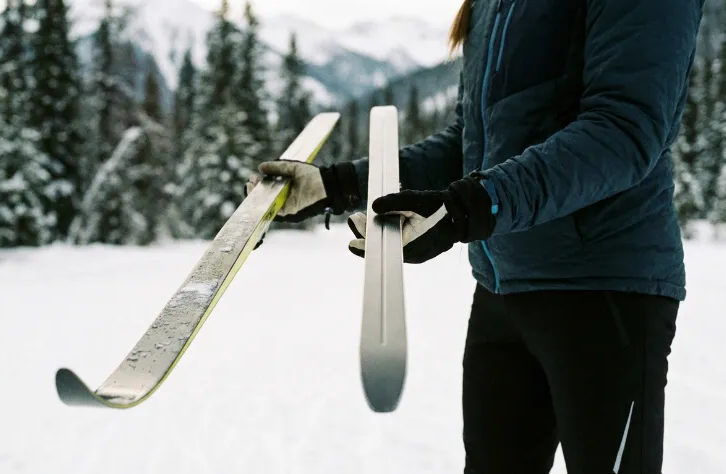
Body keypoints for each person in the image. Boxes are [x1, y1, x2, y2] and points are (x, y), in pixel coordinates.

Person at [247, 0, 705, 472]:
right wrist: (340, 185)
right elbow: (473, 141)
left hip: (605, 289)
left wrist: (469, 208)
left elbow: (623, 131)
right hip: (503, 292)